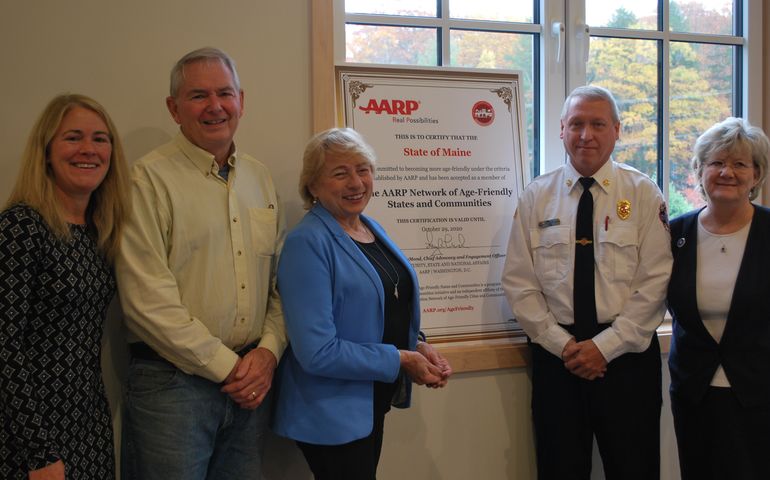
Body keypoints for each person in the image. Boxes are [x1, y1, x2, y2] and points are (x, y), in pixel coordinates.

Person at [115, 47, 286, 479]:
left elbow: (280, 285)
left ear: (241, 101)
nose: (215, 106)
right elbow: (147, 302)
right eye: (198, 96)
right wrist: (233, 369)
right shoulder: (147, 180)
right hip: (173, 389)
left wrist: (267, 352)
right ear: (174, 108)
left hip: (252, 385)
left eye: (225, 93)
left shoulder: (259, 178)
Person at [501, 85, 672, 479]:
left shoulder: (643, 194)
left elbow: (655, 282)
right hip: (557, 356)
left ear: (617, 130)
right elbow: (519, 284)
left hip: (627, 358)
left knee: (634, 467)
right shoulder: (536, 196)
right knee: (559, 468)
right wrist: (566, 347)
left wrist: (605, 347)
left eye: (598, 124)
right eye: (576, 124)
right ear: (561, 129)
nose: (586, 135)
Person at [271, 128, 452, 480]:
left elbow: (374, 311)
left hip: (369, 403)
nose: (356, 182)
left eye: (363, 169)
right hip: (331, 414)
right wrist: (401, 358)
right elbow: (317, 351)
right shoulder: (307, 243)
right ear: (312, 185)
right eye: (340, 173)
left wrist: (417, 344)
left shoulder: (369, 228)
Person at [0, 94, 130, 479]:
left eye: (100, 139)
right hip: (27, 434)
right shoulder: (22, 227)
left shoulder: (99, 235)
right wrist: (39, 451)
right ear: (46, 152)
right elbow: (4, 348)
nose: (88, 149)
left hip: (87, 427)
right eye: (73, 137)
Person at [667, 117, 770, 479]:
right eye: (716, 162)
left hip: (759, 392)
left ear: (756, 175)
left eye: (740, 164)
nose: (727, 172)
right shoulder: (674, 234)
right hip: (694, 390)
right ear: (700, 170)